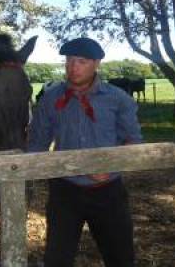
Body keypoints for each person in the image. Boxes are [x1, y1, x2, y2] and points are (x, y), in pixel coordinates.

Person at [28, 37, 143, 267]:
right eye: (69, 60)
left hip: (108, 192)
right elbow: (36, 147)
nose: (73, 67)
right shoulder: (50, 100)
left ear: (97, 63)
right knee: (56, 259)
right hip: (65, 192)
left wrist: (112, 167)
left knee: (120, 258)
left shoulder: (118, 99)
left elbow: (134, 143)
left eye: (81, 61)